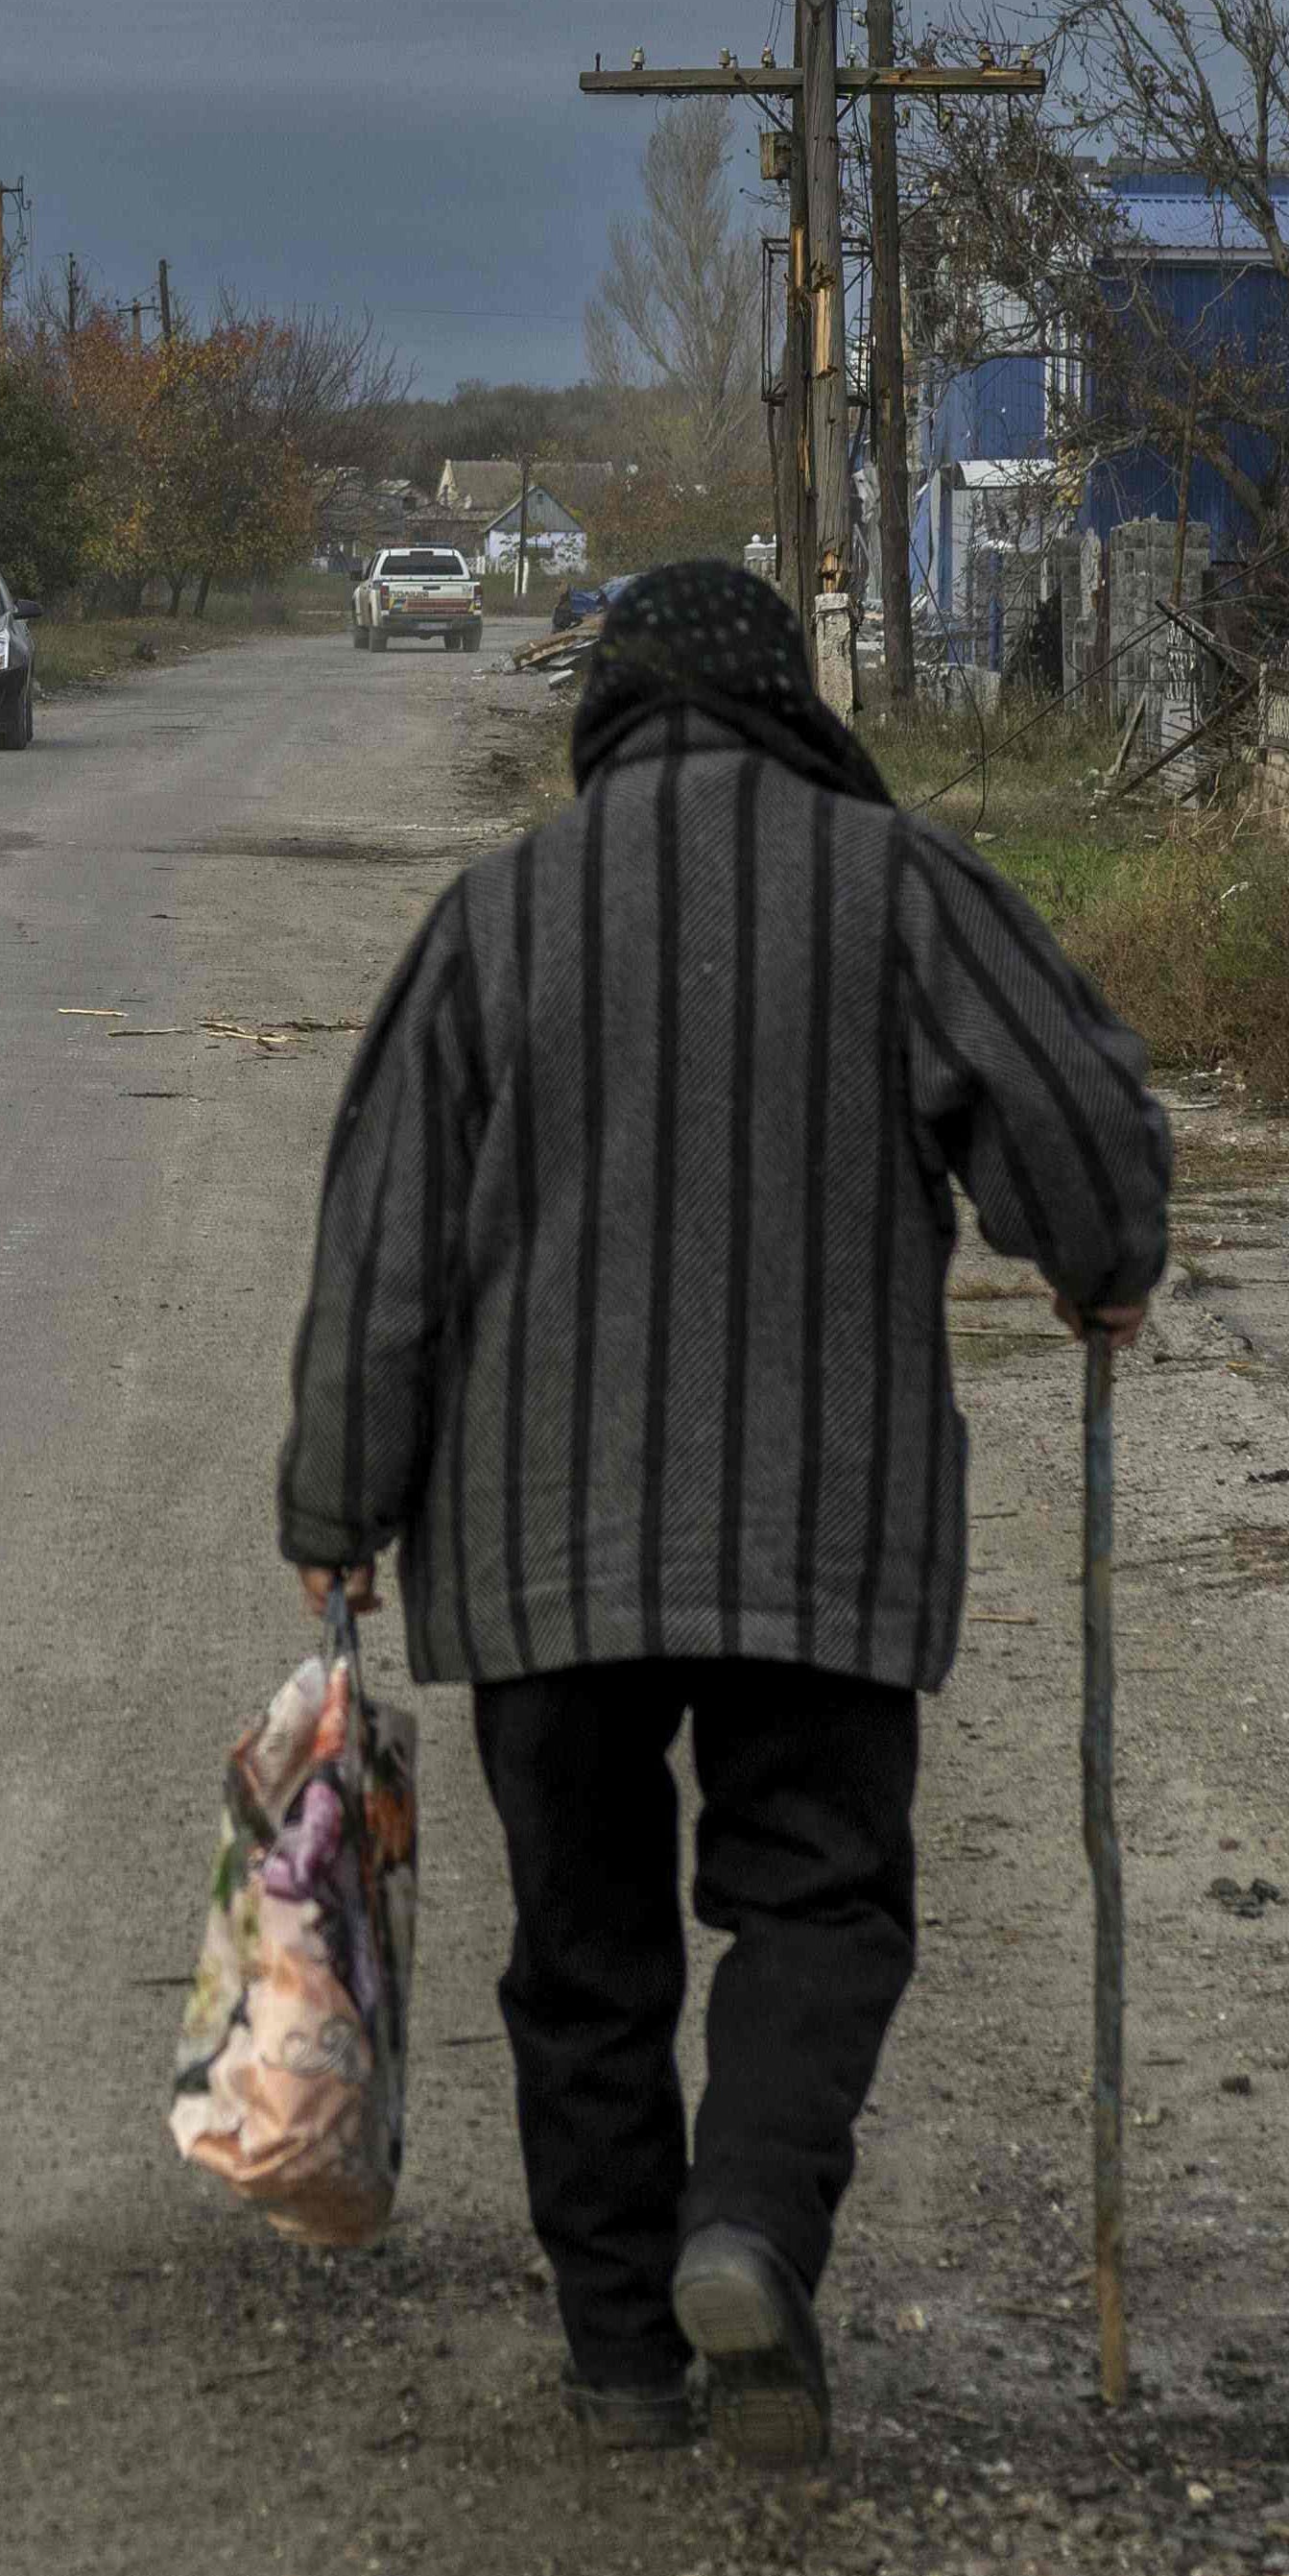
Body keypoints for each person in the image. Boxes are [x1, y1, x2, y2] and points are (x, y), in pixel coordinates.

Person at [272, 551, 1172, 2463]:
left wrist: (336, 1494)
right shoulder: (895, 881)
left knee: (581, 1950)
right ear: (790, 702)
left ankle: (619, 2356)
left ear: (605, 710)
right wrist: (1099, 1258)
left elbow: (381, 1243)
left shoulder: (489, 917)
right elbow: (1074, 1110)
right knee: (817, 1898)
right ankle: (747, 2222)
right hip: (817, 1534)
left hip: (537, 1546)